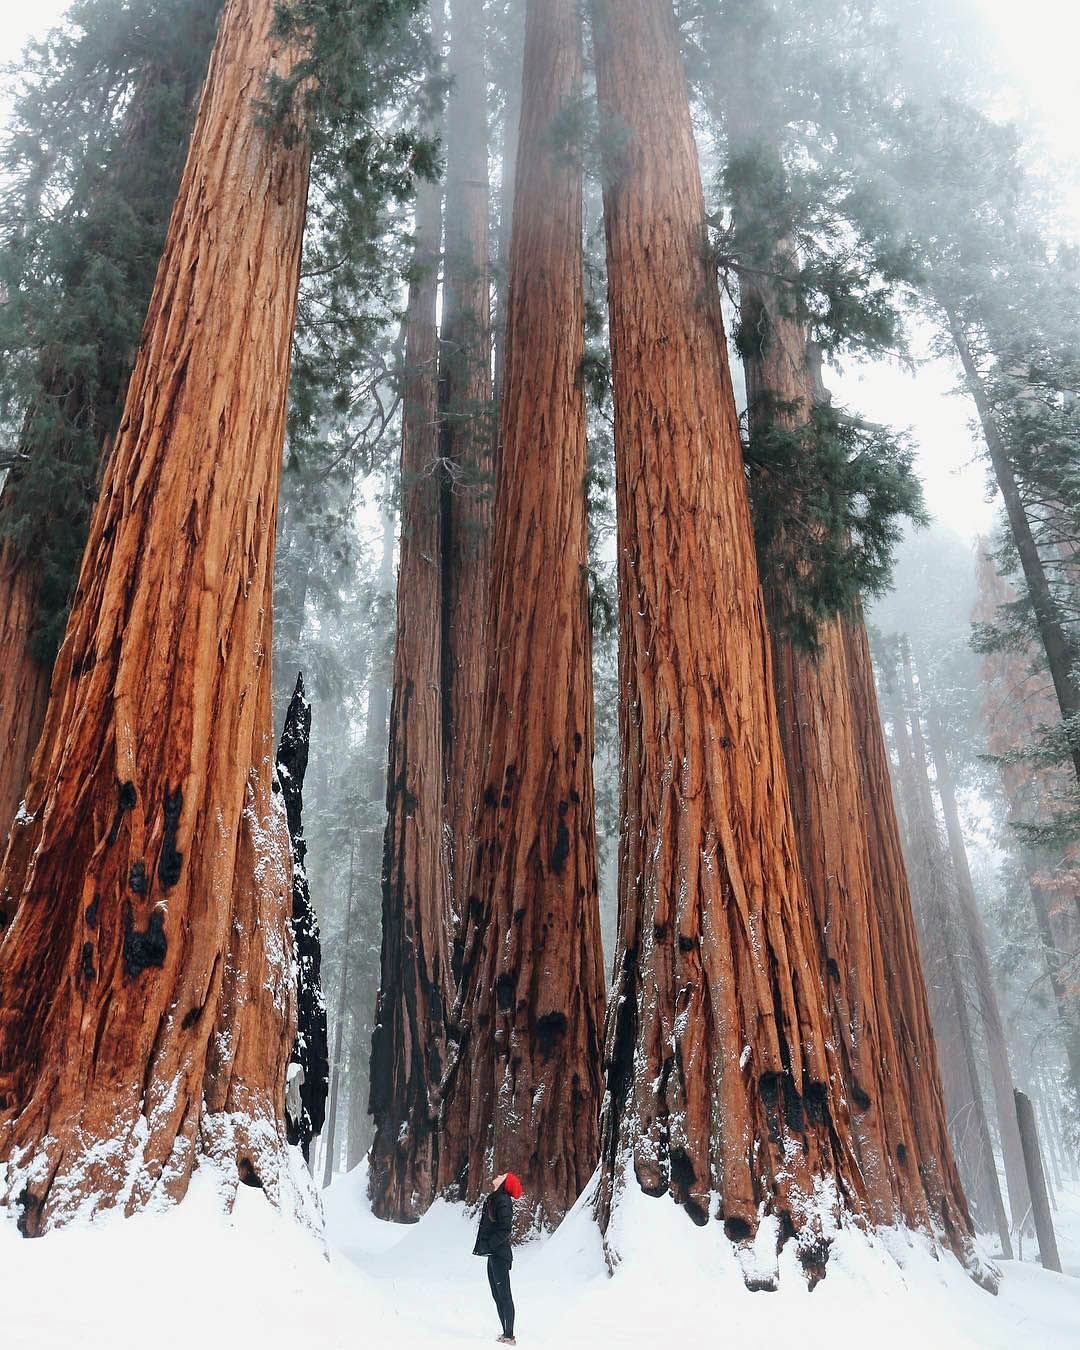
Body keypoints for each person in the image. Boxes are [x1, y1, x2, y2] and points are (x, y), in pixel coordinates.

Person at [473, 1170, 523, 1344]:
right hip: (493, 1254)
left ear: (504, 1183)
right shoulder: (496, 1198)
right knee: (497, 1294)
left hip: (499, 1255)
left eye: (503, 1175)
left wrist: (489, 1245)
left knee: (504, 1295)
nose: (498, 1175)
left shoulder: (502, 1200)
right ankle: (505, 1333)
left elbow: (505, 1229)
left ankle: (510, 1336)